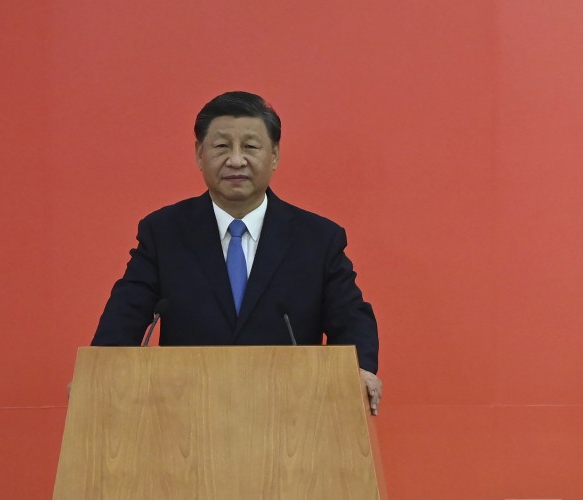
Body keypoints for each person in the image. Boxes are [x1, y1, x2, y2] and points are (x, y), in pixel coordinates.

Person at [90, 91, 382, 415]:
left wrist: (359, 368)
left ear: (274, 155)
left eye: (251, 147)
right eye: (221, 146)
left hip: (291, 421)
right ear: (200, 154)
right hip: (184, 419)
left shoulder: (317, 238)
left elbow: (351, 316)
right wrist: (101, 374)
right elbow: (125, 315)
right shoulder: (164, 232)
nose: (236, 160)